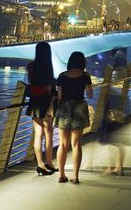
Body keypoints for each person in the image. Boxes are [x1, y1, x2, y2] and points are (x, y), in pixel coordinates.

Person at [53, 51, 93, 184]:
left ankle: (61, 175)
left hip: (64, 108)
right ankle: (75, 176)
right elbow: (90, 94)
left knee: (63, 144)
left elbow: (59, 96)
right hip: (79, 108)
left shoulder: (61, 76)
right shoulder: (85, 76)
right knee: (76, 144)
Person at [25, 41, 57, 176]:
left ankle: (40, 164)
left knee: (38, 135)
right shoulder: (48, 68)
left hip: (35, 102)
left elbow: (30, 82)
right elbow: (51, 88)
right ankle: (49, 162)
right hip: (47, 102)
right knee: (49, 134)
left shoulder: (31, 66)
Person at [100, 67, 131, 174]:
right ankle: (119, 167)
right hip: (125, 108)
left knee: (112, 141)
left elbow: (107, 91)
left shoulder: (112, 75)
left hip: (113, 110)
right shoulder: (128, 74)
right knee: (121, 141)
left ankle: (111, 167)